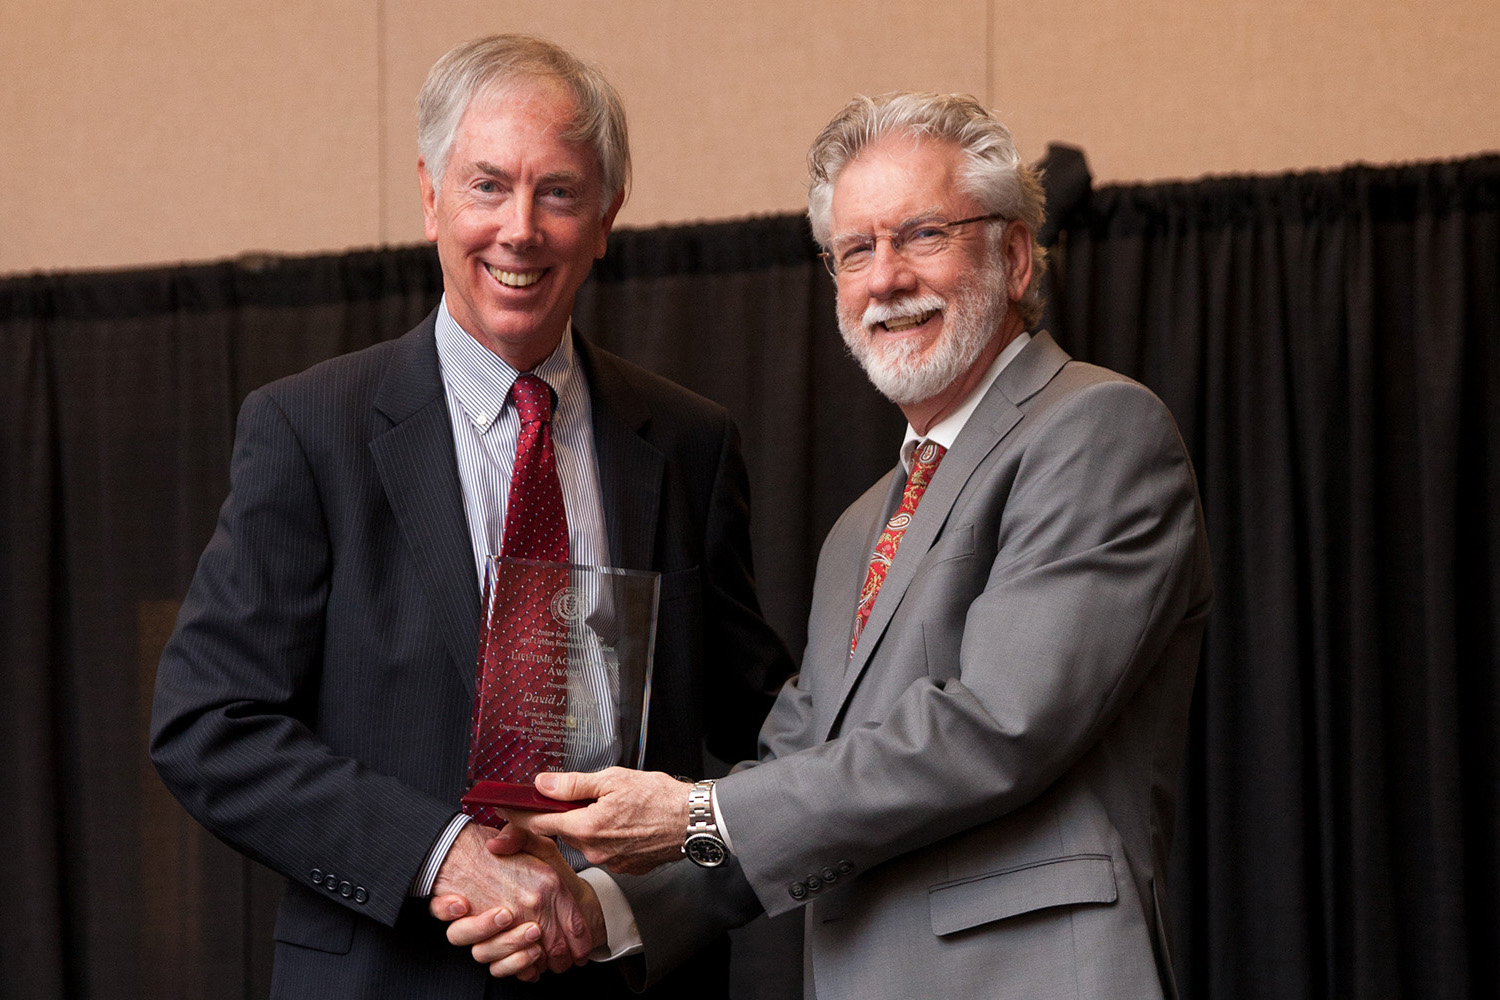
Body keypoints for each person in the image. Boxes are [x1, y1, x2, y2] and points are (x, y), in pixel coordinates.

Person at [468, 92, 1214, 998]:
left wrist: (696, 809)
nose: (886, 278)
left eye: (923, 235)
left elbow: (997, 727)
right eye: (855, 251)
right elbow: (792, 780)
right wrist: (602, 912)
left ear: (1014, 256)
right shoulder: (862, 526)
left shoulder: (1097, 430)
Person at [149, 34, 792, 999]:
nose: (520, 229)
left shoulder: (691, 445)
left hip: (627, 972)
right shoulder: (309, 429)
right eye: (488, 185)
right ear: (431, 196)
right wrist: (443, 855)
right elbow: (208, 724)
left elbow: (764, 725)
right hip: (390, 971)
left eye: (560, 192)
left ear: (609, 215)